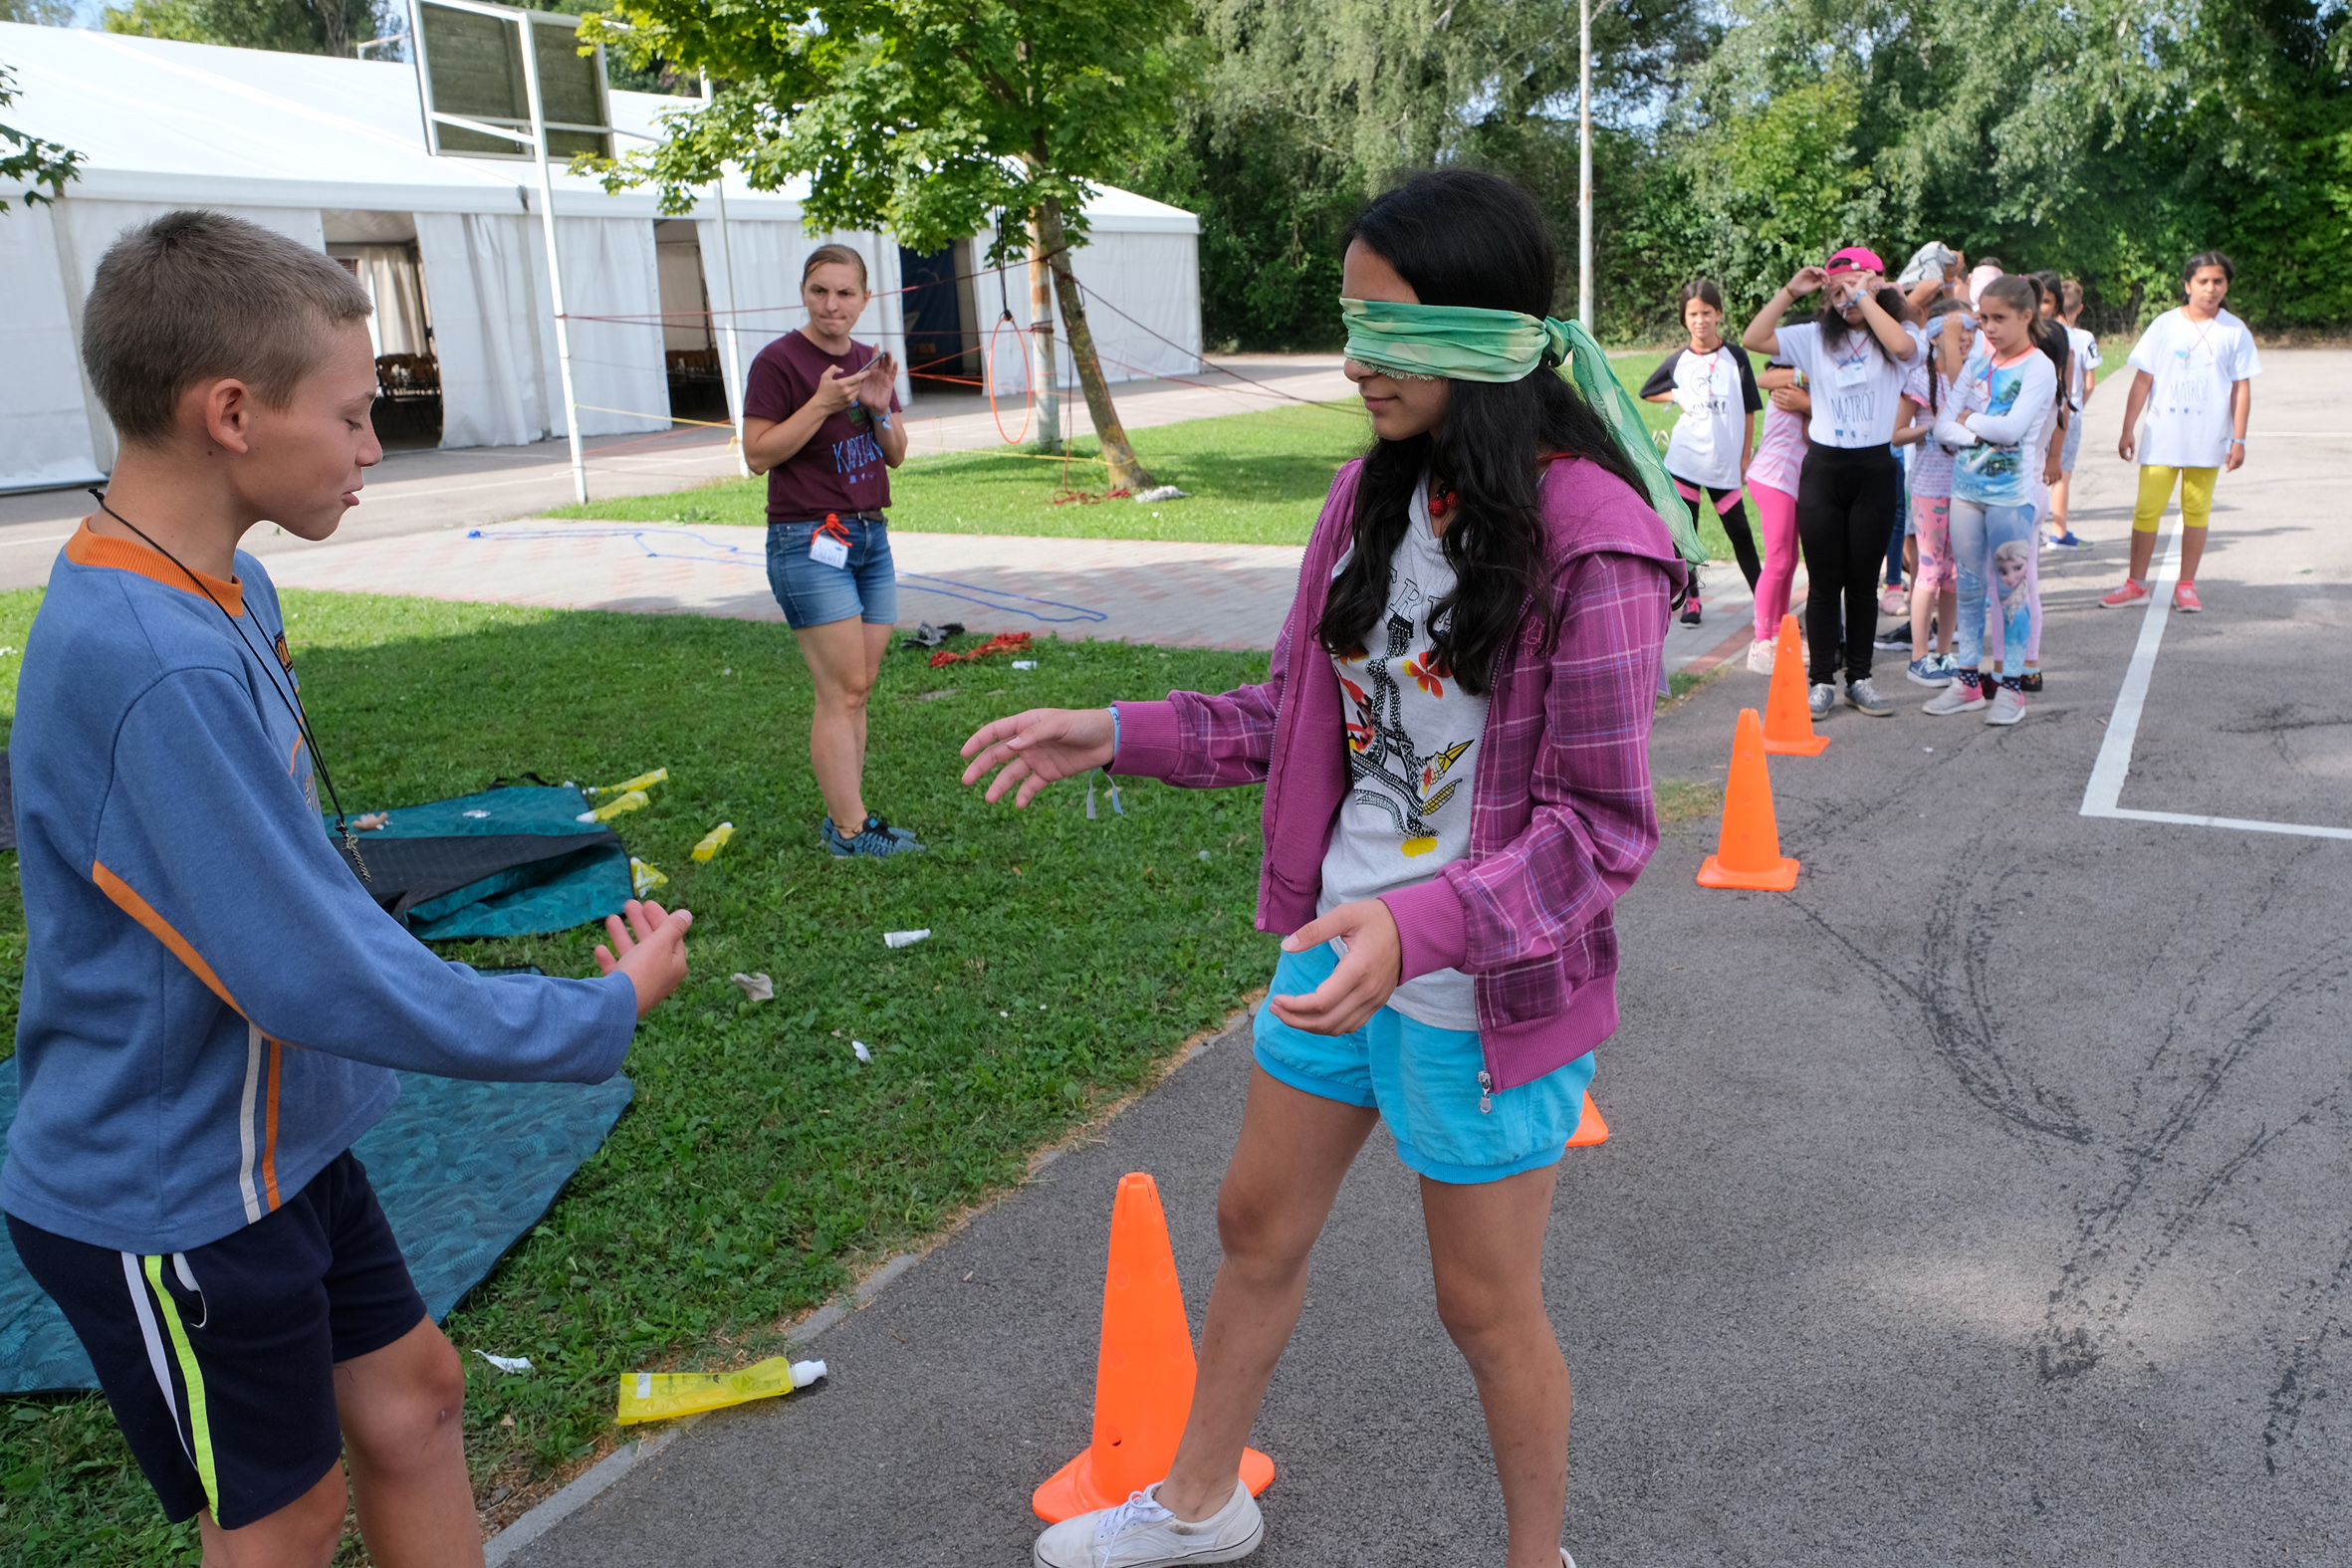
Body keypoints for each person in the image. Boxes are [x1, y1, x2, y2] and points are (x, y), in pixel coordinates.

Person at [961, 169, 1682, 1568]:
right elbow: (1297, 717)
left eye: (1386, 329)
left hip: (1480, 989)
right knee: (1253, 1222)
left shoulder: (1595, 540)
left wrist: (1419, 929)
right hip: (1334, 954)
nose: (1354, 360)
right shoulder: (1368, 496)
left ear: (1484, 335)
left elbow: (1600, 831)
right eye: (1350, 323)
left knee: (1483, 1308)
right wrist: (1113, 730)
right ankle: (1199, 1502)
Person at [4, 211, 694, 1568]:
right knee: (283, 1519)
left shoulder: (226, 588)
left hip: (278, 1145)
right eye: (353, 413)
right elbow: (309, 969)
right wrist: (591, 1014)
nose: (374, 446)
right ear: (231, 414)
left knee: (413, 1400)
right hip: (174, 1187)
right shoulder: (153, 659)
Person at [743, 243, 919, 855]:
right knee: (841, 690)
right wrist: (820, 404)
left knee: (858, 688)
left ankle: (849, 815)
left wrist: (878, 410)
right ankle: (849, 830)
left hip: (870, 537)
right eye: (820, 291)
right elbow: (757, 454)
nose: (831, 304)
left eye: (845, 293)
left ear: (865, 299)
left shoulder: (871, 360)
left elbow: (896, 453)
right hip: (807, 539)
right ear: (804, 292)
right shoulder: (778, 362)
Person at [1741, 246, 1924, 719]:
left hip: (1873, 470)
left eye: (1857, 289)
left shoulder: (1900, 335)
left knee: (1862, 584)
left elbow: (1905, 349)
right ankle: (1821, 680)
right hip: (1824, 470)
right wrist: (1790, 291)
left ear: (1878, 288)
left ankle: (1859, 679)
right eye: (1838, 292)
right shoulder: (1815, 337)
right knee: (1823, 584)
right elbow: (1754, 339)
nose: (1847, 300)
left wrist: (1865, 297)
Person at [1924, 274, 2059, 724]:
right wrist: (1977, 428)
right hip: (1965, 493)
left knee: (2011, 594)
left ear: (2026, 316)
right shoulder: (1978, 363)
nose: (1989, 328)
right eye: (1983, 318)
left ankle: (2012, 689)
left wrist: (1970, 421)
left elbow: (2013, 430)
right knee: (1968, 589)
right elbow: (1942, 427)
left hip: (2011, 499)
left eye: (1999, 318)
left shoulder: (2038, 367)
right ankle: (1967, 684)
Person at [2103, 252, 2259, 612]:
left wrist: (2239, 439)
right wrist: (2127, 428)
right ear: (2187, 285)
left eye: (2218, 281)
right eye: (2203, 281)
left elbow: (2241, 389)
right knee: (2147, 510)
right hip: (2163, 436)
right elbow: (2143, 380)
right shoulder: (2165, 325)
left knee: (2196, 510)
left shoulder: (2234, 330)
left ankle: (2186, 584)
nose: (2210, 288)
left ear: (2226, 286)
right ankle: (2136, 584)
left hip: (2207, 438)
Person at [1640, 278, 1763, 628]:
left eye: (1706, 313)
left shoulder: (1736, 357)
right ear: (1684, 318)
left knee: (1741, 535)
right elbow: (1648, 391)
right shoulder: (1678, 361)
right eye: (1692, 314)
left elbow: (1749, 410)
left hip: (1724, 464)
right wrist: (1677, 395)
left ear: (1718, 313)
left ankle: (1764, 603)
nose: (1700, 320)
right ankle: (1691, 601)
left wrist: (1744, 457)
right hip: (1685, 461)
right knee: (1686, 538)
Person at [1890, 298, 1966, 685]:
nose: (1964, 338)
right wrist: (1930, 428)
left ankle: (1945, 651)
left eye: (1969, 331)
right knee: (1931, 571)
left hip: (1965, 489)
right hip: (1929, 490)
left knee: (1954, 575)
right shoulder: (1920, 379)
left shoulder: (1971, 377)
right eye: (1955, 331)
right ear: (1934, 336)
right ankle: (1919, 655)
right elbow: (1897, 434)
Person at [1744, 359, 1809, 673]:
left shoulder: (1806, 389)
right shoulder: (1787, 379)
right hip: (1774, 478)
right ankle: (1761, 644)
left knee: (1790, 561)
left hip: (1788, 481)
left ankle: (1781, 634)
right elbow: (1763, 378)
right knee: (1778, 561)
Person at [2045, 279, 2099, 550]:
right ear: (2079, 308)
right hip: (2069, 410)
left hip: (2041, 410)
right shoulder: (2084, 337)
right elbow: (2090, 382)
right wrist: (2078, 405)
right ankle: (2059, 531)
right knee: (2062, 472)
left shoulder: (2041, 333)